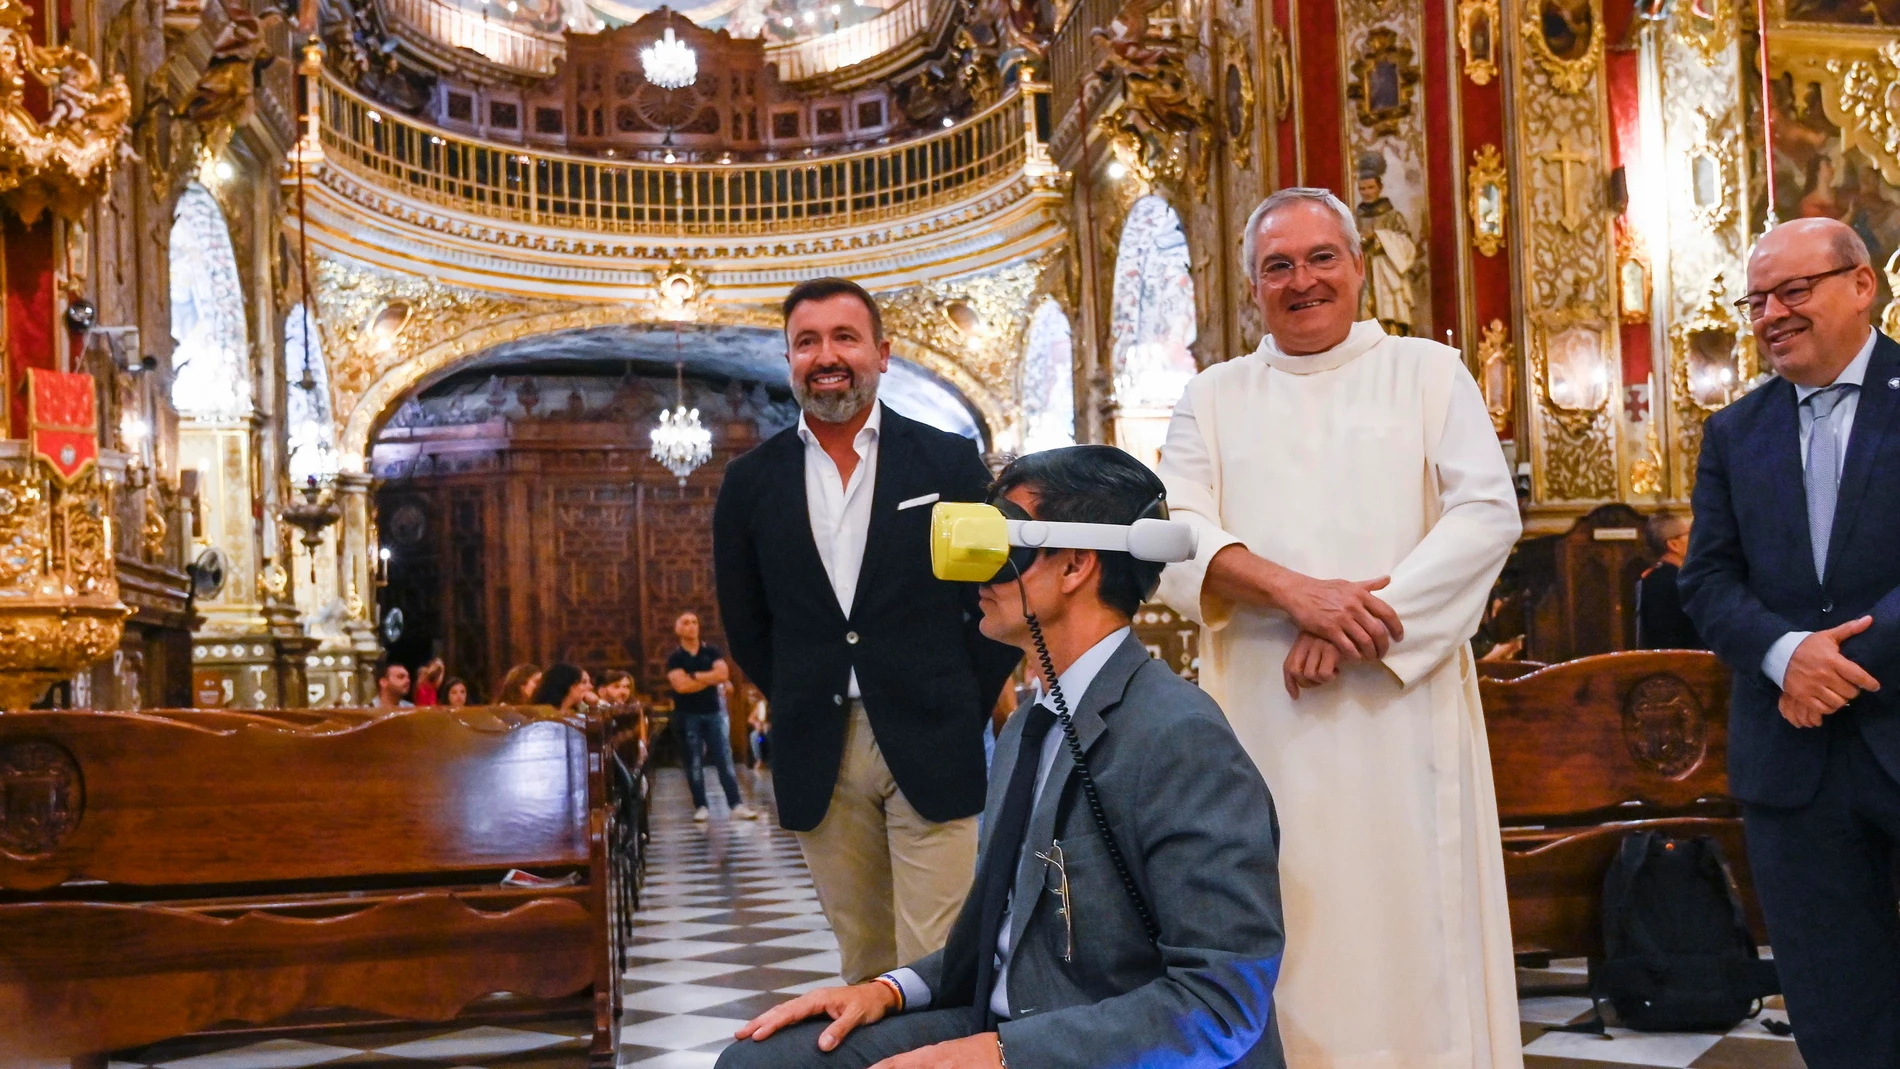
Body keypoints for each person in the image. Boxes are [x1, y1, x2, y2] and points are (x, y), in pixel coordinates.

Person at [716, 446, 1286, 1069]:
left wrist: (997, 1055)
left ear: (1073, 564)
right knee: (762, 1062)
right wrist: (884, 989)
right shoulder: (1027, 728)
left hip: (1095, 1048)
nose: (978, 577)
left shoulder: (1179, 738)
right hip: (1005, 1022)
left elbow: (1223, 1001)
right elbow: (996, 943)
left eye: (1001, 545)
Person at [1155, 187, 1523, 1068]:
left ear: (1359, 268)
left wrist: (1353, 620)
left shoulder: (1429, 374)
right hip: (1261, 723)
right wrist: (1295, 594)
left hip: (1402, 716)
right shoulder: (1211, 396)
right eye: (1277, 266)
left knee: (1414, 931)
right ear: (1252, 289)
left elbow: (1486, 515)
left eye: (1322, 258)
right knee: (1282, 923)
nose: (1303, 280)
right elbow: (1173, 538)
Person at [714, 277, 1021, 983]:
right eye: (807, 341)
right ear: (788, 359)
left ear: (882, 353)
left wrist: (958, 697)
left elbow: (992, 594)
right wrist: (798, 691)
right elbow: (747, 623)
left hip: (933, 729)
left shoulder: (946, 461)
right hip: (818, 743)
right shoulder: (750, 483)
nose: (827, 355)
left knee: (939, 957)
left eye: (845, 337)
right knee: (865, 961)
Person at [1679, 216, 1900, 1068]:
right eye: (1757, 299)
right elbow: (1706, 580)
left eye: (1792, 291)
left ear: (1861, 284)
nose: (1770, 312)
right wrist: (1785, 656)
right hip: (1792, 759)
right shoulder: (1736, 432)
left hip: (1893, 712)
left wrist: (1836, 663)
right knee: (1837, 1008)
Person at [667, 611, 760, 822]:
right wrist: (708, 679)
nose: (691, 626)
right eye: (686, 623)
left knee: (724, 759)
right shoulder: (675, 658)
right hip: (687, 715)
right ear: (678, 629)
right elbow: (680, 686)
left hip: (713, 713)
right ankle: (701, 805)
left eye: (694, 622)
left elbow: (722, 674)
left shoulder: (712, 651)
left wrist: (694, 676)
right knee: (694, 762)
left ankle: (736, 804)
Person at [1635, 511, 1703, 650]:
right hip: (1685, 663)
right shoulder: (1682, 582)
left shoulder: (1648, 578)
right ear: (1673, 545)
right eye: (1689, 532)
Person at [530, 663, 596, 713]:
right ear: (568, 684)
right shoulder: (543, 714)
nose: (590, 687)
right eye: (584, 682)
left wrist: (596, 703)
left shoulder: (580, 710)